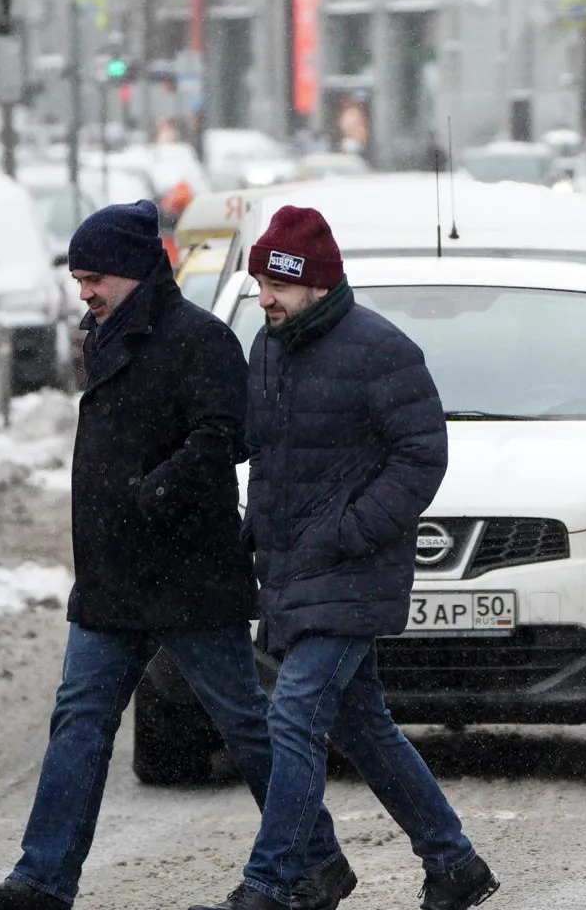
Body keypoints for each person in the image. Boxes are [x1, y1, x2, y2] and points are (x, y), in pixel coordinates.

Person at [0, 200, 353, 910]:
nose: (85, 292)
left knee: (245, 726)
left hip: (188, 576)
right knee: (78, 721)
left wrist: (155, 491)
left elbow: (225, 436)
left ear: (136, 271)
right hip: (111, 580)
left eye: (95, 277)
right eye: (78, 279)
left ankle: (316, 859)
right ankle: (42, 880)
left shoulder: (201, 340)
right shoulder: (102, 334)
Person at [192, 207, 497, 910]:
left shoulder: (380, 350)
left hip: (353, 573)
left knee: (293, 718)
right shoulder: (267, 348)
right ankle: (453, 863)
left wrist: (355, 530)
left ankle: (273, 883)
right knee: (365, 727)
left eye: (277, 283)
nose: (263, 296)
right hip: (293, 571)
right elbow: (264, 451)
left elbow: (423, 454)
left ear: (317, 284)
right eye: (259, 280)